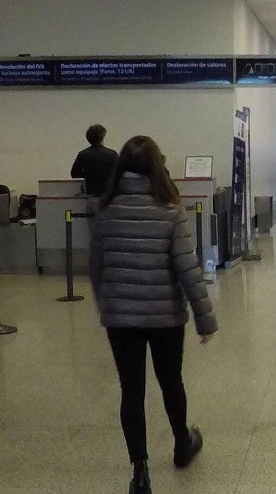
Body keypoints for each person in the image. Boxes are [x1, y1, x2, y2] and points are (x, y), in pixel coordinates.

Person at [88, 135, 216, 494]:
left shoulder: (105, 209)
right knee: (170, 380)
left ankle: (140, 471)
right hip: (165, 318)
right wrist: (205, 320)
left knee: (131, 389)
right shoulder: (171, 210)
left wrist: (108, 305)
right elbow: (188, 270)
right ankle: (181, 443)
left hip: (121, 318)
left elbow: (96, 268)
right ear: (158, 168)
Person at [71, 123, 119, 197]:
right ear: (102, 138)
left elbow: (74, 174)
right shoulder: (112, 154)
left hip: (91, 194)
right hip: (109, 195)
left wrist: (88, 173)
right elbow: (119, 172)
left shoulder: (83, 154)